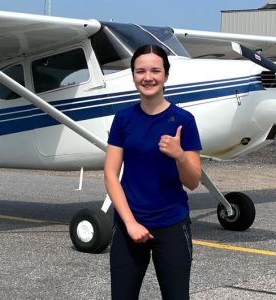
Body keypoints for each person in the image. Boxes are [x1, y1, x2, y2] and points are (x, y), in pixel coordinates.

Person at [104, 44, 202, 300]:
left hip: (172, 224)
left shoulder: (184, 120)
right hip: (130, 225)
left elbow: (193, 182)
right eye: (140, 71)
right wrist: (130, 223)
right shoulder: (123, 119)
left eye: (155, 71)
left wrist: (180, 155)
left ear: (166, 75)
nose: (148, 77)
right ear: (134, 75)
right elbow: (110, 174)